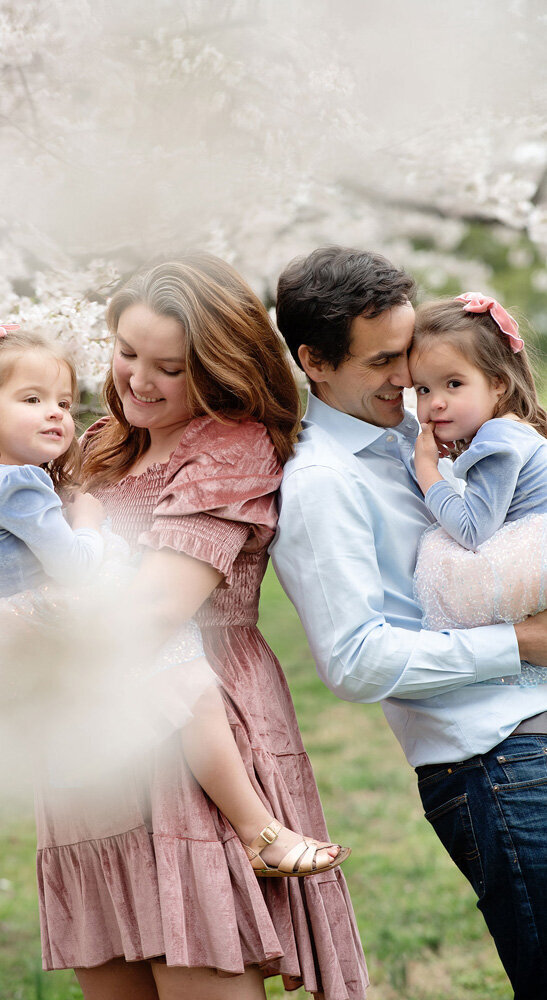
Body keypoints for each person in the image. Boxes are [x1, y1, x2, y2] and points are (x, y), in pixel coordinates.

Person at [36, 254, 368, 1000]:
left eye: (169, 368)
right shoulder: (98, 444)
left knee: (198, 970)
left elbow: (157, 610)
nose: (138, 381)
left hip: (189, 737)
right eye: (126, 353)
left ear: (219, 369)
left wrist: (37, 628)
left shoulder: (231, 446)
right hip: (91, 739)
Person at [0, 324, 349, 882]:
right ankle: (258, 831)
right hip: (39, 624)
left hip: (1, 630)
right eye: (32, 401)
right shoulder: (20, 486)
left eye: (62, 401)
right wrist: (93, 526)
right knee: (189, 677)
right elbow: (76, 565)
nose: (57, 415)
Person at [271, 246, 547, 1000]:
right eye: (385, 361)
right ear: (315, 362)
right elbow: (354, 659)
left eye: (415, 358)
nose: (408, 379)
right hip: (497, 762)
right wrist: (521, 643)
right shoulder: (321, 483)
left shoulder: (416, 433)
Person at [411, 293, 547, 650]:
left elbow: (473, 530)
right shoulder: (510, 428)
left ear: (498, 382)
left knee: (441, 553)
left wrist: (427, 471)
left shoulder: (496, 439)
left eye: (453, 384)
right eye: (423, 389)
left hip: (533, 560)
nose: (435, 401)